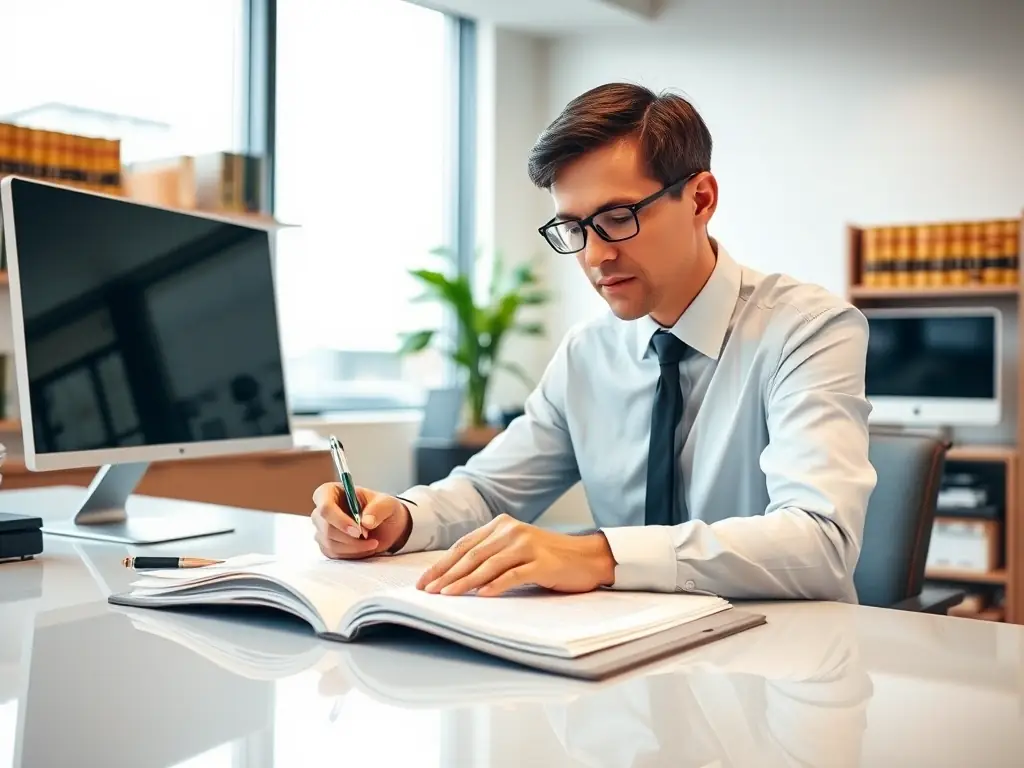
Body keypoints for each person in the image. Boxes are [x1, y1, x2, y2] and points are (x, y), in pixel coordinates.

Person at [311, 82, 877, 602]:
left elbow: (820, 542)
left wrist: (599, 553)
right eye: (575, 228)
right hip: (618, 660)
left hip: (781, 669)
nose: (594, 255)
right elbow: (488, 490)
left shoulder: (807, 330)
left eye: (617, 216)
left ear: (701, 198)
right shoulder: (588, 355)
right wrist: (402, 520)